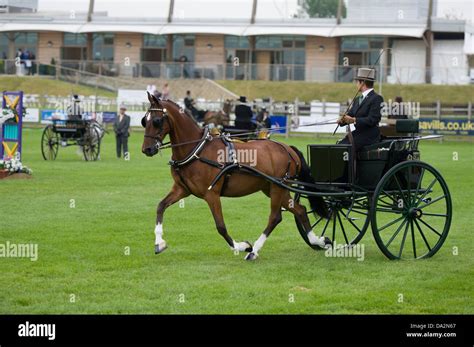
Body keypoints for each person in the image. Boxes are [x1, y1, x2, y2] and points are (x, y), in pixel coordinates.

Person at [337, 68, 384, 152]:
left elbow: (373, 119)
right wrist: (342, 120)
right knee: (338, 146)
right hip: (358, 134)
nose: (356, 85)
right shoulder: (358, 99)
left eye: (357, 82)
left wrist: (354, 120)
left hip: (370, 136)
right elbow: (350, 114)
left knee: (345, 148)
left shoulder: (376, 98)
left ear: (362, 83)